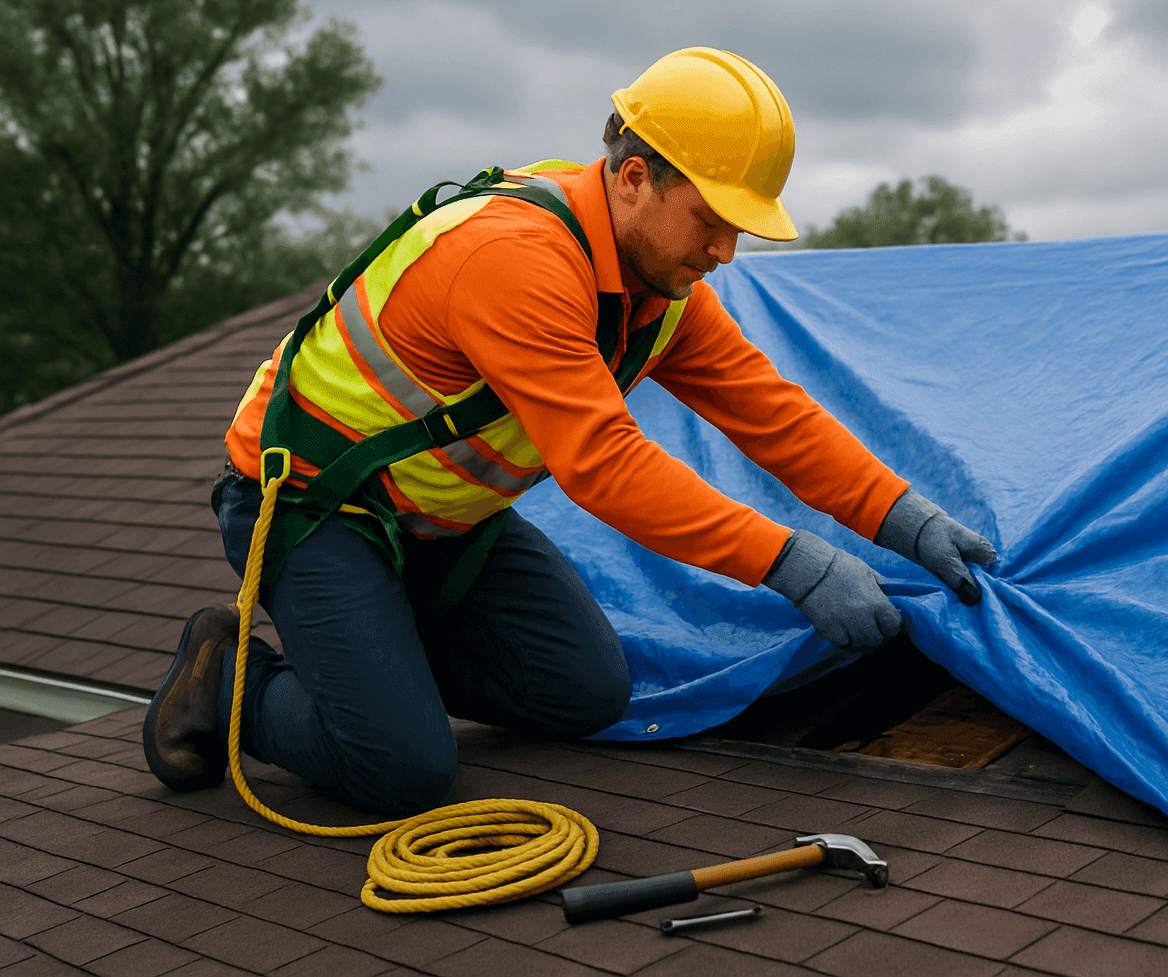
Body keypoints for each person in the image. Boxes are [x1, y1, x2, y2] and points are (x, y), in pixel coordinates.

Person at [143, 47, 996, 817]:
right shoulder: (512, 258)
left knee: (586, 691)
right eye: (710, 219)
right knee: (399, 771)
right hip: (313, 503)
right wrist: (792, 563)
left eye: (740, 226)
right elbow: (603, 465)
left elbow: (772, 415)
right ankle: (233, 685)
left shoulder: (658, 292)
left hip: (440, 521)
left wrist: (904, 520)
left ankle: (375, 664)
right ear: (632, 179)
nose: (727, 251)